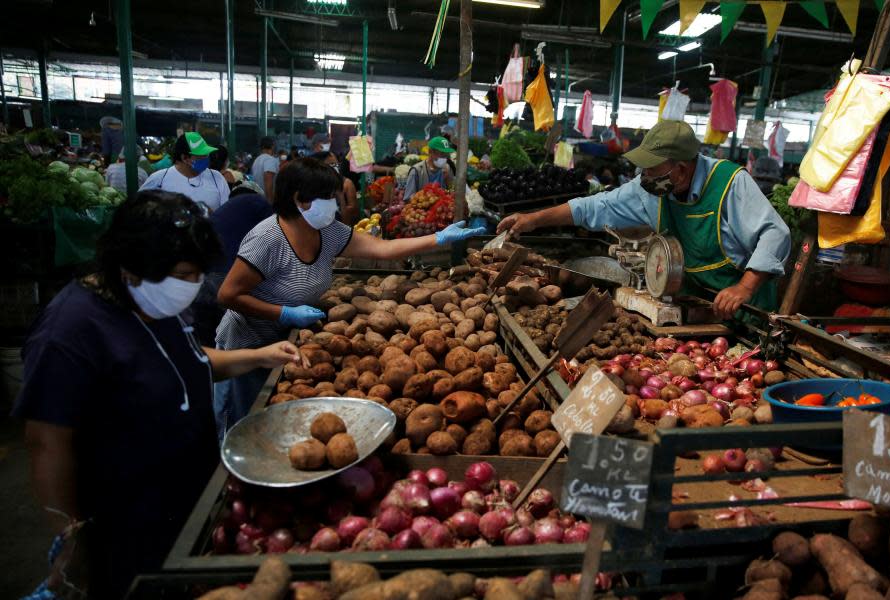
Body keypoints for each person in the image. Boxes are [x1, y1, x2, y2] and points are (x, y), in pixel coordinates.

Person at [14, 191, 303, 599]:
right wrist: (69, 537)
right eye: (183, 274)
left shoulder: (154, 302)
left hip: (187, 497)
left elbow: (183, 359)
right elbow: (47, 443)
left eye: (197, 274)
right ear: (129, 265)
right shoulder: (70, 331)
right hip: (124, 517)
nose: (192, 286)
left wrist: (256, 356)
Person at [214, 158, 484, 437]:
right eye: (328, 197)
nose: (335, 203)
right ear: (300, 199)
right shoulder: (268, 239)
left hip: (288, 342)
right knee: (245, 424)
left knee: (278, 426)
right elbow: (228, 294)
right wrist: (283, 312)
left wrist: (437, 238)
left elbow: (382, 249)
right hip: (246, 345)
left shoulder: (327, 231)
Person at [497, 120, 791, 320]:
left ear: (682, 169)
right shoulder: (650, 189)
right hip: (697, 308)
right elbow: (595, 206)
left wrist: (744, 288)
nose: (644, 177)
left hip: (747, 313)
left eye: (652, 169)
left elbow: (775, 234)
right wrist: (533, 219)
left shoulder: (730, 183)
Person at [190, 182, 274, 345]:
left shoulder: (226, 210)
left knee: (206, 344)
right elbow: (277, 240)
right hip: (225, 277)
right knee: (235, 339)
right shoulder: (259, 203)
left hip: (201, 278)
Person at [140, 132, 230, 212]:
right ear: (185, 158)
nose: (206, 158)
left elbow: (227, 212)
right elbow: (139, 209)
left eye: (207, 154)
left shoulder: (216, 178)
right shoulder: (159, 179)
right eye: (201, 156)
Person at [311, 150, 359, 225]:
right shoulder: (313, 186)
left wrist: (341, 201)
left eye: (337, 163)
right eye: (332, 164)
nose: (336, 166)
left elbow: (353, 211)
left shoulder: (345, 183)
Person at [403, 136, 454, 201]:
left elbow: (452, 193)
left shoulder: (447, 169)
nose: (444, 157)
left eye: (446, 155)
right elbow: (408, 198)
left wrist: (448, 181)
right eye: (442, 154)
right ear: (430, 152)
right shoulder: (417, 171)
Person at [250, 136, 280, 201]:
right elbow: (268, 180)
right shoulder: (270, 159)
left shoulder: (257, 160)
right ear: (272, 146)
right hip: (266, 200)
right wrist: (270, 201)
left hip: (258, 198)